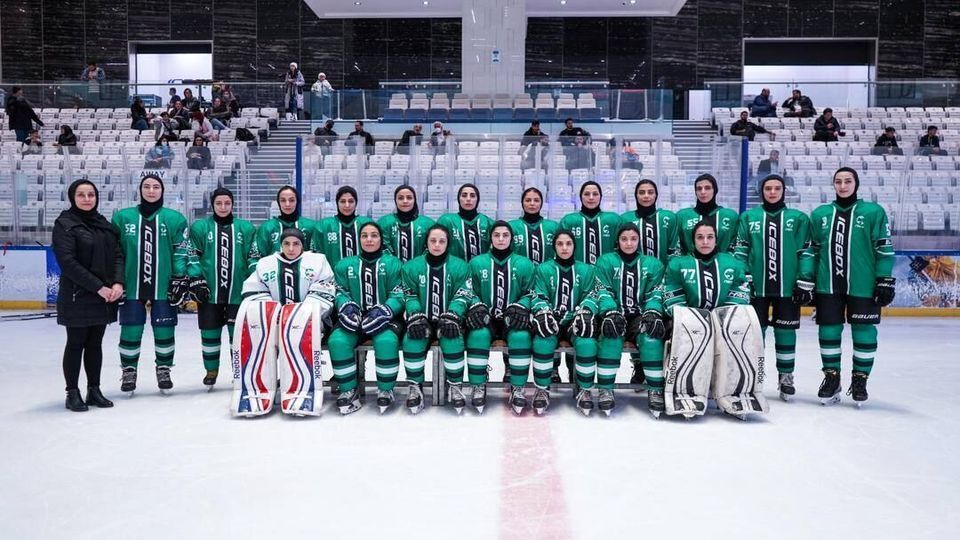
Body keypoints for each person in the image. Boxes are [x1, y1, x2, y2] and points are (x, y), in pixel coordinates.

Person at [805, 167, 895, 405]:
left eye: (847, 181)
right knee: (828, 331)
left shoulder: (873, 212)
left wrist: (884, 279)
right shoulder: (821, 214)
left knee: (863, 331)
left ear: (856, 184)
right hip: (828, 285)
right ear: (833, 185)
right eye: (838, 181)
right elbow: (812, 252)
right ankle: (832, 378)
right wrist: (808, 280)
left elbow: (884, 248)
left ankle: (860, 380)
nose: (843, 186)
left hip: (863, 285)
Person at [234, 228, 335, 416]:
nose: (291, 248)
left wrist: (299, 316)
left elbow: (325, 289)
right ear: (280, 245)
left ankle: (303, 391)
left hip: (310, 323)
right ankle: (257, 389)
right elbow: (253, 290)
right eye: (286, 244)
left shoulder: (318, 261)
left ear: (303, 245)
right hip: (273, 323)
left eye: (296, 244)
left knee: (298, 333)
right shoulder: (265, 264)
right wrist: (275, 316)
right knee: (257, 334)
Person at [734, 174, 813, 401]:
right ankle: (753, 377)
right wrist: (743, 278)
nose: (772, 192)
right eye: (768, 188)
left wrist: (804, 281)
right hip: (756, 289)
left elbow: (806, 252)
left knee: (786, 333)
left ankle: (786, 377)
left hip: (787, 289)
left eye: (777, 188)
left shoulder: (797, 218)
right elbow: (741, 251)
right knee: (755, 335)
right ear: (762, 192)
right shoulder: (749, 217)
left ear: (783, 191)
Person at [111, 174, 189, 394]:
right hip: (131, 285)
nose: (151, 190)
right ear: (140, 190)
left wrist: (179, 278)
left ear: (162, 190)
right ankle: (129, 371)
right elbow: (114, 253)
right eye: (147, 186)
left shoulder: (175, 218)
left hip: (164, 286)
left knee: (164, 329)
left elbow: (180, 252)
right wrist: (116, 280)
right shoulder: (122, 218)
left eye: (156, 187)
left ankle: (164, 369)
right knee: (131, 329)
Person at [53, 179, 124, 412]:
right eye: (81, 195)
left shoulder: (102, 224)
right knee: (75, 344)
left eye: (91, 194)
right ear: (73, 197)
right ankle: (72, 393)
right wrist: (98, 287)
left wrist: (117, 282)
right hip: (78, 295)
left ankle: (94, 390)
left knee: (95, 344)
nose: (86, 199)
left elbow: (117, 255)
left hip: (104, 295)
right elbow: (68, 263)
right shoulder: (65, 224)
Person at [183, 187, 258, 388]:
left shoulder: (246, 228)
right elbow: (191, 255)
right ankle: (211, 370)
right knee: (209, 334)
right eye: (219, 203)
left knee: (238, 336)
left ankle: (239, 372)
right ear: (212, 205)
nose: (223, 207)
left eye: (227, 203)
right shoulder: (200, 228)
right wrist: (196, 279)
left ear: (233, 204)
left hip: (237, 294)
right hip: (209, 293)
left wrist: (253, 281)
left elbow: (253, 256)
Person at [328, 222, 405, 414]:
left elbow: (400, 293)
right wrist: (346, 306)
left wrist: (386, 310)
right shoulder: (344, 264)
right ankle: (348, 390)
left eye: (374, 235)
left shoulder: (394, 263)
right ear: (359, 239)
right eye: (364, 236)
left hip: (386, 318)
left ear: (381, 239)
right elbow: (339, 291)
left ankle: (386, 390)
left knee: (386, 341)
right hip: (353, 317)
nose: (369, 239)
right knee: (337, 341)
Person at [529, 230, 607, 416]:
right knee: (542, 340)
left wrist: (586, 312)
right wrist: (542, 312)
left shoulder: (587, 270)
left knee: (587, 342)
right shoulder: (543, 269)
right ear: (554, 247)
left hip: (575, 318)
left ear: (574, 246)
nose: (564, 248)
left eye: (568, 244)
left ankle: (584, 389)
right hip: (552, 318)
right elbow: (537, 295)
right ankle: (542, 388)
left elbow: (592, 294)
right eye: (560, 244)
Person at [400, 225, 475, 414]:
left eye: (442, 241)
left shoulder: (460, 266)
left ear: (448, 243)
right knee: (412, 339)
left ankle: (455, 386)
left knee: (452, 338)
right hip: (423, 319)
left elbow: (463, 294)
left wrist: (453, 314)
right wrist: (415, 315)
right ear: (426, 242)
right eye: (433, 240)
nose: (437, 244)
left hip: (449, 319)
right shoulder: (411, 267)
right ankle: (414, 387)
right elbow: (409, 295)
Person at [594, 223, 667, 416]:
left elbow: (656, 293)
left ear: (639, 241)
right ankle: (606, 388)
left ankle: (655, 390)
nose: (629, 243)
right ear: (617, 241)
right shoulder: (606, 261)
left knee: (651, 338)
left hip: (639, 314)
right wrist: (610, 312)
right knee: (611, 335)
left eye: (633, 239)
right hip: (614, 313)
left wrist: (652, 312)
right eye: (624, 239)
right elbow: (602, 290)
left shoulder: (653, 264)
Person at [465, 222, 537, 414]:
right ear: (491, 238)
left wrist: (522, 306)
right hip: (486, 316)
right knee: (477, 335)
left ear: (511, 238)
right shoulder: (476, 263)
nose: (501, 239)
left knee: (521, 337)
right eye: (497, 235)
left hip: (512, 318)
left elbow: (531, 292)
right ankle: (478, 384)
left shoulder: (524, 264)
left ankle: (518, 386)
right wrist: (476, 305)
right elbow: (468, 291)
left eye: (505, 235)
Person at [676, 173, 740, 255]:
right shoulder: (682, 216)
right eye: (699, 189)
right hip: (690, 265)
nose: (703, 192)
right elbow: (676, 247)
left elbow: (736, 245)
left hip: (722, 266)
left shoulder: (730, 216)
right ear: (695, 192)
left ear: (715, 190)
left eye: (707, 188)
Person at [560, 181, 622, 264]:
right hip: (578, 274)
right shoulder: (568, 221)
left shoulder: (614, 220)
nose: (591, 197)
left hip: (606, 274)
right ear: (580, 197)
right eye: (586, 194)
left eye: (595, 194)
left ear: (601, 197)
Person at [311, 186, 372, 268]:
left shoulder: (366, 224)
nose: (347, 205)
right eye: (343, 201)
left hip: (361, 278)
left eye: (351, 201)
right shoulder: (324, 225)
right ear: (337, 203)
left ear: (356, 203)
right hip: (330, 279)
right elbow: (316, 256)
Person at [437, 183, 495, 262]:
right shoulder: (447, 221)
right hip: (456, 272)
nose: (468, 199)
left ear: (477, 199)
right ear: (458, 199)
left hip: (481, 272)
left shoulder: (488, 223)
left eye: (472, 196)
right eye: (464, 195)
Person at [255, 185, 316, 258]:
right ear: (278, 203)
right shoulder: (266, 228)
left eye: (291, 200)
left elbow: (316, 256)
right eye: (283, 200)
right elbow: (256, 257)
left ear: (297, 202)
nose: (287, 204)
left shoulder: (310, 226)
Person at [378, 185, 434, 262]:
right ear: (395, 201)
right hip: (393, 271)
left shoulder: (427, 223)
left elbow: (431, 249)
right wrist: (395, 266)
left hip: (418, 272)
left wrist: (414, 268)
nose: (405, 201)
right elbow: (382, 247)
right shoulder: (385, 222)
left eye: (409, 198)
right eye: (400, 198)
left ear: (415, 200)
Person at [509, 187, 559, 264]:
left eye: (536, 200)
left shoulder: (553, 227)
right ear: (522, 203)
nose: (532, 203)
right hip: (520, 274)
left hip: (546, 275)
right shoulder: (511, 226)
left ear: (541, 203)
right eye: (528, 200)